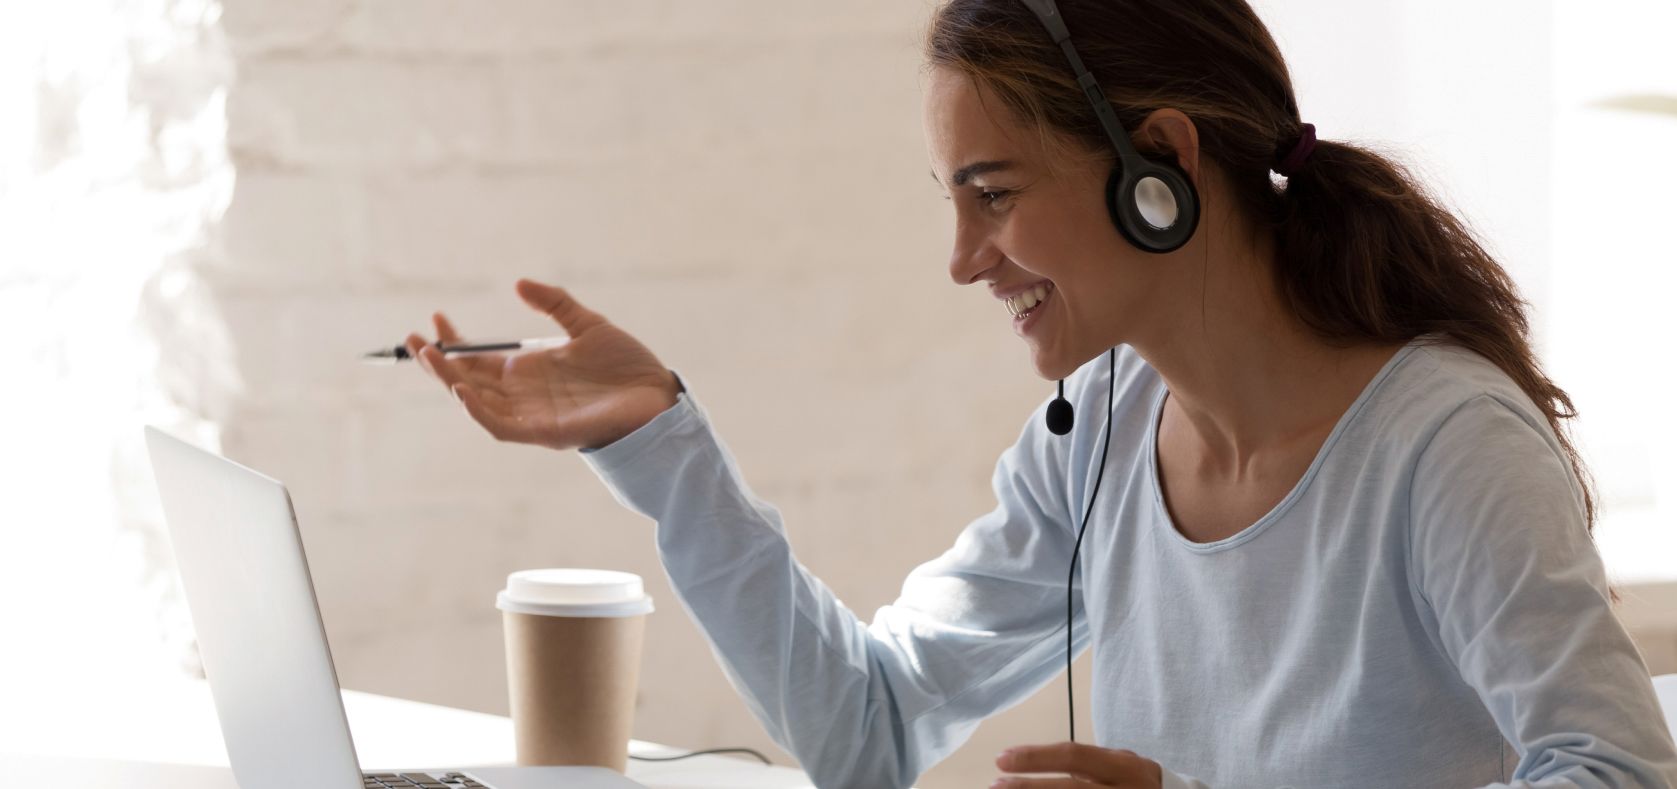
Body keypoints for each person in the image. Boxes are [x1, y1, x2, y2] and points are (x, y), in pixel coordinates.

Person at [402, 1, 1677, 787]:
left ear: (1161, 168)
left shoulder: (1443, 446)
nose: (964, 261)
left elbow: (1617, 771)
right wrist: (663, 447)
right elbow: (868, 731)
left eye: (996, 196)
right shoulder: (1103, 433)